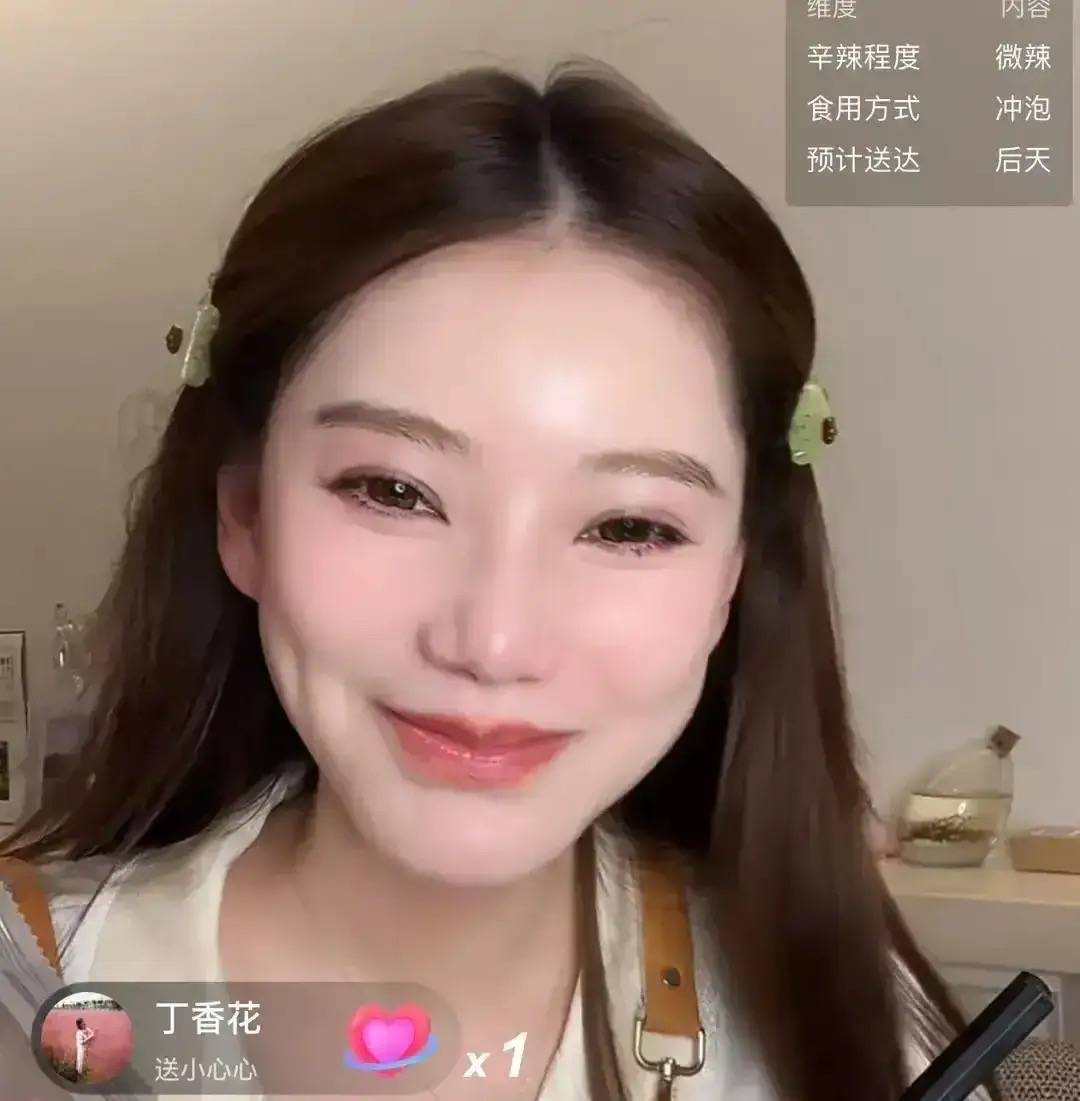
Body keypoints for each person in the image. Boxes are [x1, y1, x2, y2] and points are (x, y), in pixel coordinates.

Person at [0, 60, 997, 1101]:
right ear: (245, 512)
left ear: (732, 579)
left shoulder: (849, 1036)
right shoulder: (33, 1003)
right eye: (393, 491)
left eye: (629, 526)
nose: (494, 642)